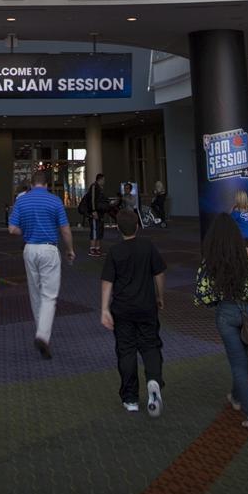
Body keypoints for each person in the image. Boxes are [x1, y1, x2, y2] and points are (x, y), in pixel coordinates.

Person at [194, 212, 248, 431]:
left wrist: (215, 303)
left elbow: (201, 295)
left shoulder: (211, 261)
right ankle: (236, 398)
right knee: (243, 362)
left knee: (238, 365)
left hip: (226, 315)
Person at [101, 207, 166, 415]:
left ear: (118, 229)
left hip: (122, 309)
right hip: (147, 307)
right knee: (150, 346)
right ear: (137, 226)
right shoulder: (148, 246)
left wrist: (104, 309)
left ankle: (130, 398)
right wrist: (160, 296)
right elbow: (159, 274)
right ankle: (154, 381)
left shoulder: (115, 251)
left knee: (126, 351)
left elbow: (107, 282)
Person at [8, 168, 75, 359]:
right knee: (49, 295)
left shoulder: (22, 201)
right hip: (49, 249)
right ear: (46, 184)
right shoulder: (55, 201)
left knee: (35, 293)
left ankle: (40, 331)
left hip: (29, 249)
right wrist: (69, 250)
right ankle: (42, 336)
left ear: (31, 184)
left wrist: (26, 232)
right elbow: (65, 230)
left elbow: (12, 229)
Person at [85, 172, 109, 258]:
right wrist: (94, 211)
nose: (104, 181)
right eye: (103, 180)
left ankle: (97, 248)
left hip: (100, 212)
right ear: (100, 179)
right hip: (95, 213)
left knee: (99, 230)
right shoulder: (94, 187)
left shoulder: (99, 188)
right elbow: (92, 199)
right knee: (95, 230)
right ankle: (92, 249)